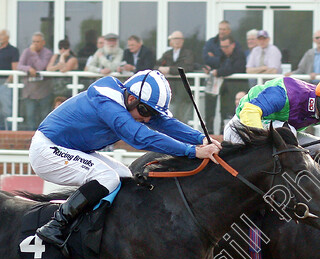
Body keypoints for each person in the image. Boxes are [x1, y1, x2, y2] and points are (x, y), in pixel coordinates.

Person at [30, 69, 220, 247]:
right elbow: (140, 137)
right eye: (146, 112)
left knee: (125, 177)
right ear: (130, 99)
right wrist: (192, 151)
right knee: (107, 178)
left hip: (73, 149)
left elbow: (166, 123)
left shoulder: (133, 104)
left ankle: (103, 227)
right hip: (47, 150)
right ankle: (55, 225)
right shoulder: (108, 103)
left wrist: (201, 138)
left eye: (152, 114)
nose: (147, 119)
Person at [223, 73, 320, 149]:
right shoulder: (284, 94)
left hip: (278, 133)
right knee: (288, 132)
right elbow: (249, 111)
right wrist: (262, 145)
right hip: (239, 130)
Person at [155, 30, 197, 123]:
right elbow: (156, 66)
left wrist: (169, 70)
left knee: (183, 116)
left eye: (179, 39)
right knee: (171, 113)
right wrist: (160, 68)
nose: (177, 41)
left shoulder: (187, 53)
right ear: (171, 41)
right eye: (175, 39)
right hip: (170, 89)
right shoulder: (167, 54)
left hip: (183, 90)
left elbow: (186, 67)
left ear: (183, 41)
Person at [16, 32, 53, 131]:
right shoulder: (26, 51)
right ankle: (30, 139)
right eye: (33, 42)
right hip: (29, 91)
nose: (35, 44)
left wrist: (33, 54)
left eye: (37, 41)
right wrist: (28, 68)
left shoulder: (47, 53)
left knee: (43, 117)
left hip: (43, 91)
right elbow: (19, 66)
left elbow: (41, 67)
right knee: (30, 116)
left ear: (43, 42)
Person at [202, 20, 233, 122]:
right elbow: (205, 58)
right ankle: (209, 132)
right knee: (210, 109)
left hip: (228, 83)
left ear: (229, 31)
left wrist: (215, 59)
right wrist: (220, 60)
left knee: (225, 109)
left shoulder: (233, 43)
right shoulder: (211, 42)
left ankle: (222, 132)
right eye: (220, 29)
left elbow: (230, 62)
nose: (222, 31)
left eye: (224, 29)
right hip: (212, 81)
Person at [0, 29, 20, 130]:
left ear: (7, 37)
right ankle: (0, 131)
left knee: (7, 111)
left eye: (2, 35)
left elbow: (14, 69)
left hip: (5, 85)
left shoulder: (13, 50)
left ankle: (10, 131)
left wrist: (7, 83)